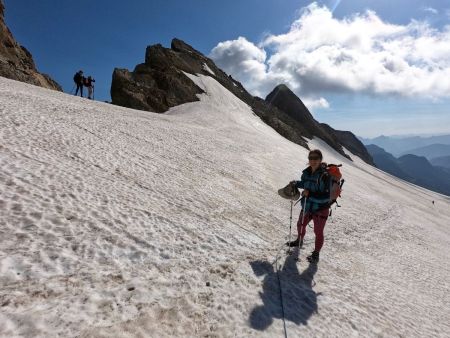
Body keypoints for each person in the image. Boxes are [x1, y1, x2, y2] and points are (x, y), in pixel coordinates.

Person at [286, 149, 331, 263]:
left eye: (316, 158)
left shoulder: (325, 176)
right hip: (307, 206)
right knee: (300, 224)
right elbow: (305, 183)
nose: (313, 160)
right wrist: (296, 183)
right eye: (311, 158)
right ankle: (299, 240)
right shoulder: (306, 173)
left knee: (318, 231)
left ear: (320, 160)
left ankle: (316, 254)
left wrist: (309, 195)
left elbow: (326, 197)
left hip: (321, 209)